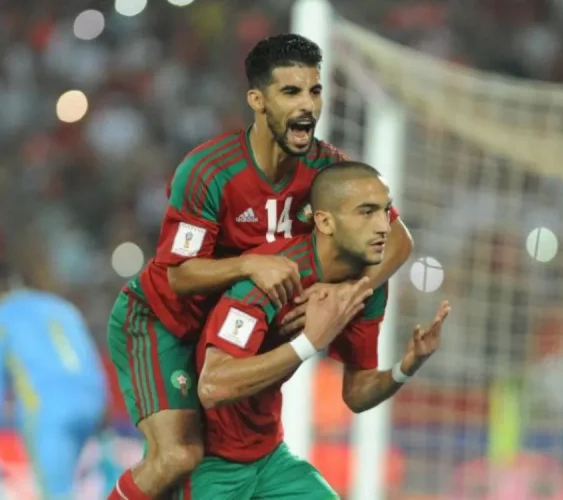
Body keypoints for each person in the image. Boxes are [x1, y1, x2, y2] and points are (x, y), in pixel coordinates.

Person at [106, 34, 413, 499]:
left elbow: (400, 240)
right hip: (166, 323)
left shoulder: (329, 171)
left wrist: (347, 294)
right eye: (291, 92)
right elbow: (179, 274)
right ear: (257, 99)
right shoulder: (210, 170)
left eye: (314, 90)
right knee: (178, 456)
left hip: (235, 332)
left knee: (230, 462)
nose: (308, 104)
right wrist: (250, 263)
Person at [190, 161, 450, 498]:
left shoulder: (364, 286)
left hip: (268, 457)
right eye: (366, 212)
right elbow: (212, 386)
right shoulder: (270, 278)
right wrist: (310, 341)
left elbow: (357, 393)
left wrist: (405, 368)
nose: (383, 226)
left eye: (385, 211)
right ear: (325, 221)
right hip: (209, 461)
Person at [0, 261, 115, 499]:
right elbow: (91, 361)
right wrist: (106, 430)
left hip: (47, 411)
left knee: (57, 494)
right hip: (93, 405)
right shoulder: (62, 308)